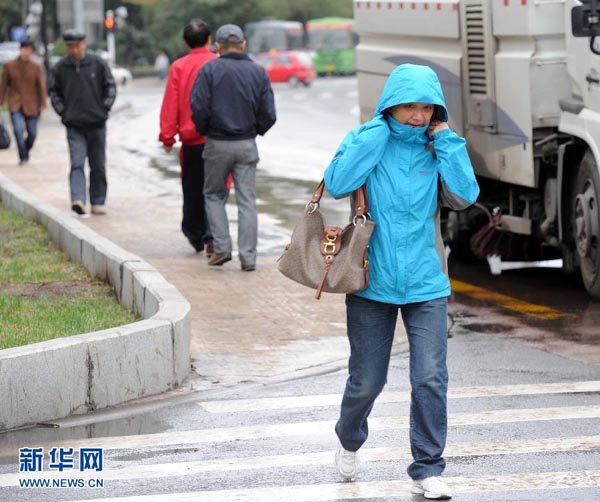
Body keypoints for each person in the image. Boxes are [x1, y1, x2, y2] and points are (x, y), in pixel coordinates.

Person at [324, 64, 480, 499]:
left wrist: (446, 138)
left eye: (426, 106)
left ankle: (427, 468)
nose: (417, 115)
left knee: (430, 377)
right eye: (409, 106)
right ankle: (350, 437)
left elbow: (466, 195)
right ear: (390, 105)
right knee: (366, 381)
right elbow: (337, 184)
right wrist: (374, 135)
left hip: (427, 282)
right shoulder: (367, 140)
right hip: (371, 281)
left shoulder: (437, 147)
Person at [190, 24, 276, 271]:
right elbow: (268, 113)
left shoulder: (209, 70)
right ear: (243, 44)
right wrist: (253, 132)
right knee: (247, 200)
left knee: (214, 195)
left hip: (217, 143)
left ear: (217, 46)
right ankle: (248, 258)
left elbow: (198, 108)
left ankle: (222, 248)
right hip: (247, 143)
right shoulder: (258, 72)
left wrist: (206, 130)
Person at [158, 19, 217, 255]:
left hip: (191, 142)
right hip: (216, 139)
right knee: (215, 190)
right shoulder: (217, 63)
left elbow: (171, 104)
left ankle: (195, 234)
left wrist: (167, 136)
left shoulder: (178, 67)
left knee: (192, 189)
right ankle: (215, 235)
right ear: (209, 39)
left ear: (185, 42)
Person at [48, 29, 116, 217]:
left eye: (76, 46)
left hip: (96, 123)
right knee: (77, 162)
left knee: (98, 164)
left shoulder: (97, 64)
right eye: (70, 46)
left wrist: (104, 108)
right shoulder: (61, 68)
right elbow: (54, 92)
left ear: (84, 44)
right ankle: (78, 199)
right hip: (74, 124)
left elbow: (110, 86)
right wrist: (63, 111)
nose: (74, 50)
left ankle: (98, 201)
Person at [0, 40, 47, 165]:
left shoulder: (36, 67)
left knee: (32, 133)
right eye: (24, 49)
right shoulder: (9, 66)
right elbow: (4, 86)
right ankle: (23, 157)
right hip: (15, 103)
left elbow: (41, 86)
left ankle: (25, 149)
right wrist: (1, 101)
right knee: (17, 130)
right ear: (20, 50)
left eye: (29, 50)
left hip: (31, 104)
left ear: (31, 52)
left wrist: (43, 103)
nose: (26, 53)